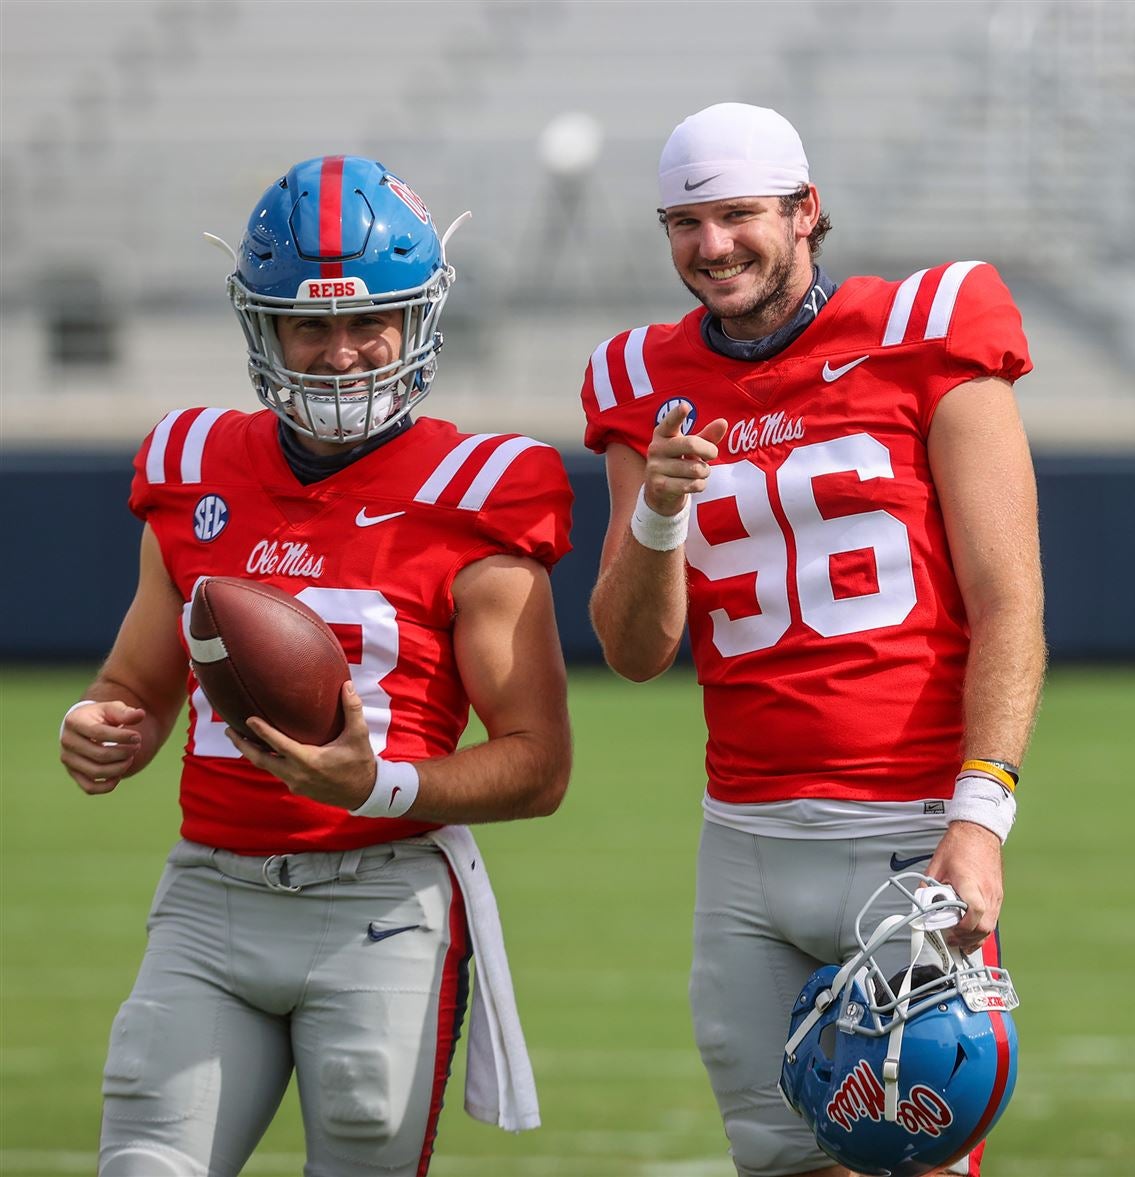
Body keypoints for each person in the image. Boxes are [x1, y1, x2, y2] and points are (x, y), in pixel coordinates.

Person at [58, 154, 573, 1177]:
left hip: (379, 905)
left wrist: (377, 783)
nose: (341, 353)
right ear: (264, 327)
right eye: (310, 325)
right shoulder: (191, 464)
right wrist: (106, 723)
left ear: (417, 320)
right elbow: (136, 685)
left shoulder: (483, 486)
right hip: (209, 896)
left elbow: (539, 764)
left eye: (367, 321)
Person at [581, 103, 1044, 1177]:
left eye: (739, 214)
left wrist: (981, 819)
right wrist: (657, 515)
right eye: (686, 223)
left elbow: (1008, 598)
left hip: (910, 830)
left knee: (914, 1158)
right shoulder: (640, 379)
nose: (713, 246)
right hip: (743, 841)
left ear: (805, 212)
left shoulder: (930, 326)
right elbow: (634, 648)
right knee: (777, 1162)